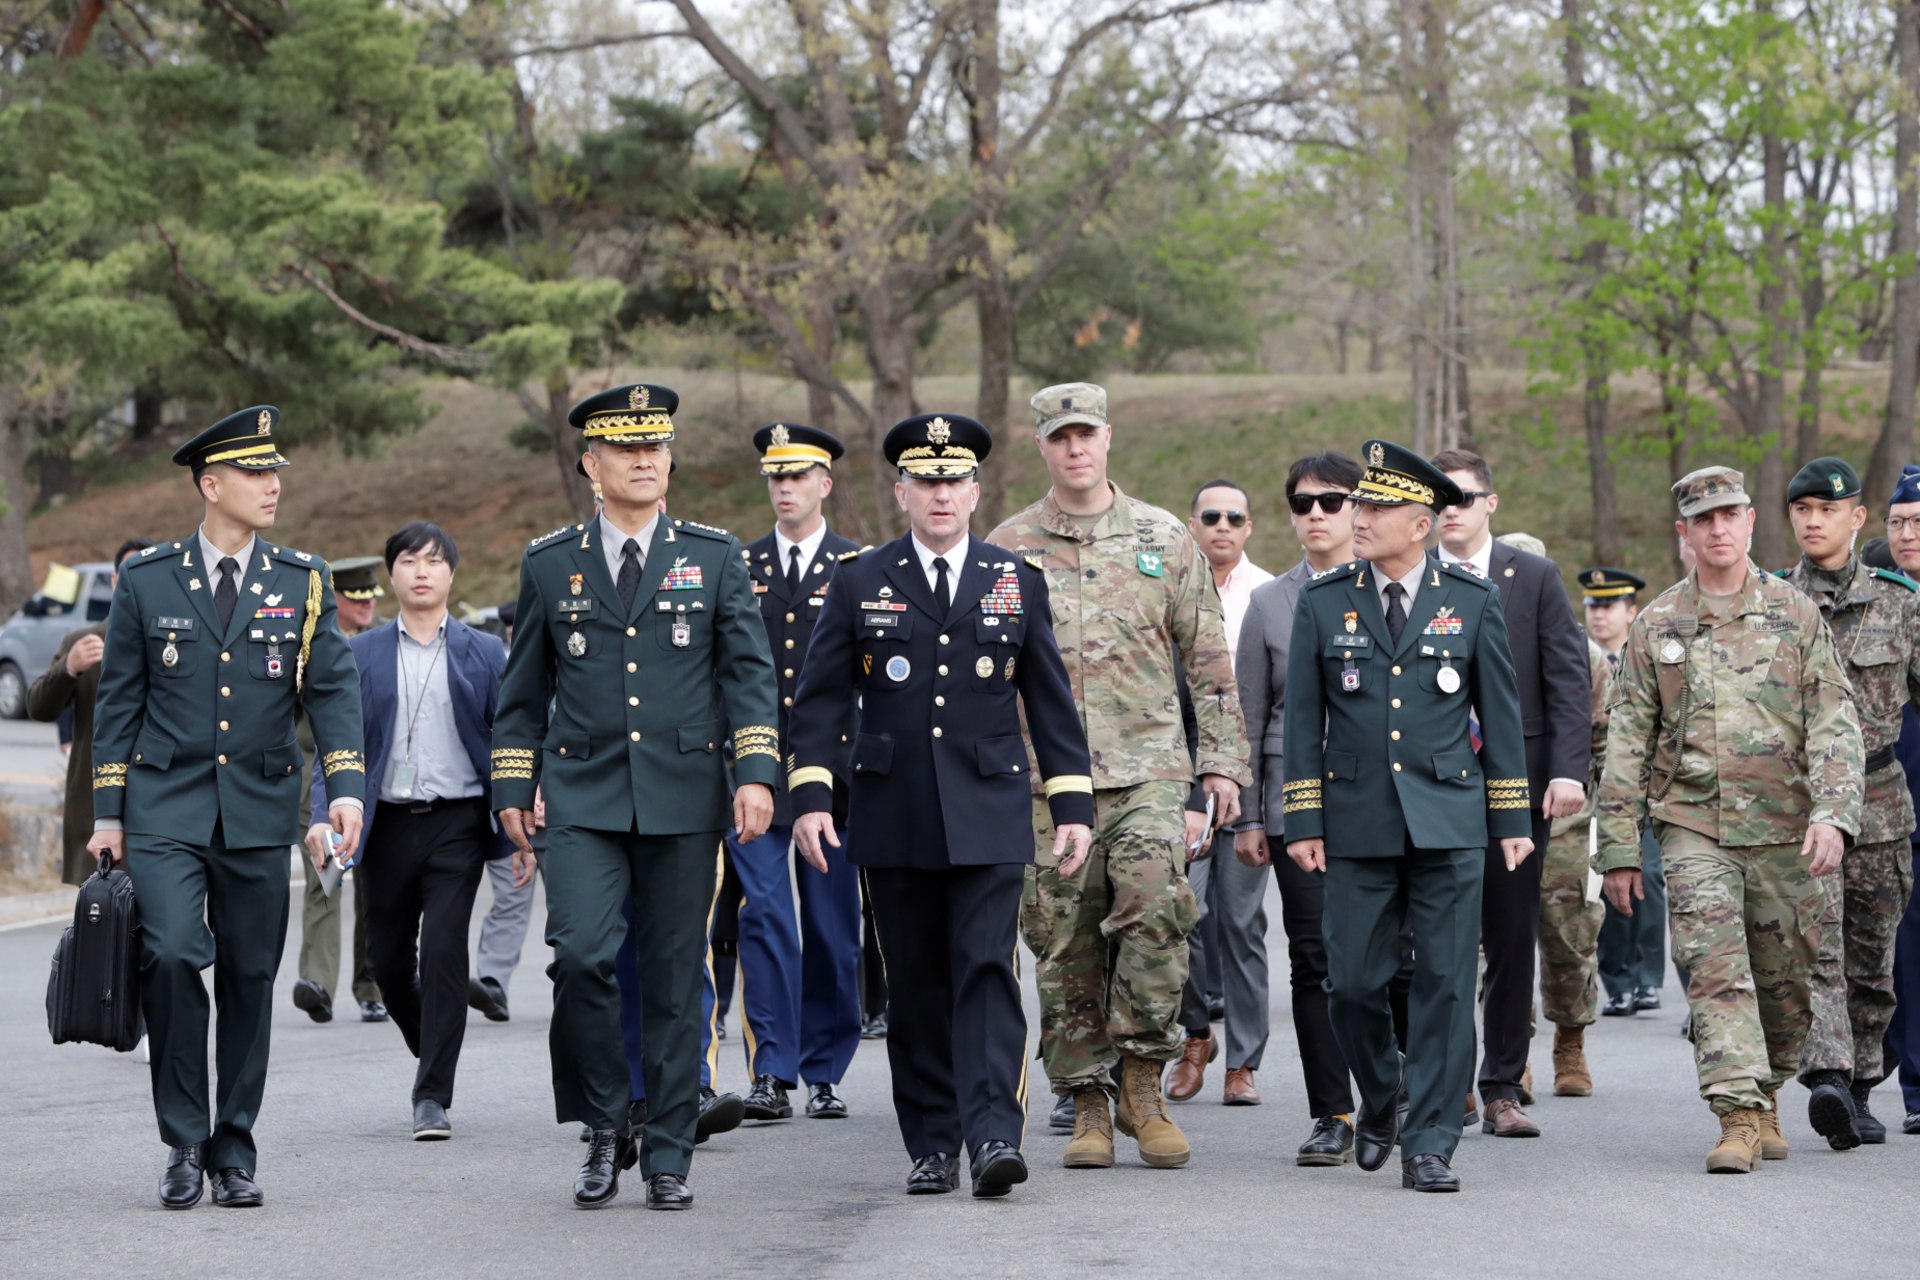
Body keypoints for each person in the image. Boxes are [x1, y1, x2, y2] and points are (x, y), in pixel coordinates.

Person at [788, 412, 1094, 1198]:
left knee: (987, 969)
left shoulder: (1013, 580)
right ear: (901, 492)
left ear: (977, 490)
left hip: (989, 810)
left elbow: (1050, 702)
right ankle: (931, 1141)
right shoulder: (860, 579)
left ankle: (993, 1135)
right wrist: (814, 796)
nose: (941, 495)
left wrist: (1072, 806)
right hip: (895, 814)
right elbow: (820, 701)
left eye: (954, 481)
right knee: (917, 981)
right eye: (926, 482)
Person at [492, 382, 779, 1211]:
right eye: (626, 447)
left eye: (656, 445)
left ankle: (667, 1151)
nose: (646, 458)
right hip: (581, 796)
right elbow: (521, 693)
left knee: (671, 972)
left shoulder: (716, 556)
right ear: (592, 463)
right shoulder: (551, 561)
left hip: (685, 796)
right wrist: (514, 781)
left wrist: (755, 772)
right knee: (580, 959)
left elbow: (749, 677)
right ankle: (603, 1122)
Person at [87, 406, 366, 1209]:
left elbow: (333, 694)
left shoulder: (303, 579)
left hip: (259, 808)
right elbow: (118, 707)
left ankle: (232, 1147)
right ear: (211, 485)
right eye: (254, 473)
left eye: (275, 472)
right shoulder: (147, 578)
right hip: (165, 806)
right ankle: (182, 1138)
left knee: (250, 975)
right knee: (172, 956)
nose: (272, 485)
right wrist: (110, 816)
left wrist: (340, 790)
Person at [988, 382, 1249, 1172]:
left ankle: (1143, 1080)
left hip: (1149, 774)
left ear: (1108, 438)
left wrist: (1223, 766)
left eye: (1086, 434)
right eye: (1060, 436)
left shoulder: (1164, 537)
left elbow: (1209, 662)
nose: (1075, 449)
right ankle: (1089, 1104)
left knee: (1155, 913)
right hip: (1044, 781)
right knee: (1062, 940)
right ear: (1042, 446)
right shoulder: (1008, 546)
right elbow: (984, 671)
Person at [1595, 465, 1862, 1174]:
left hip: (1785, 826)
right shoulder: (1658, 626)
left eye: (1729, 516)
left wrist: (1835, 813)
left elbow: (1834, 718)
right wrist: (1618, 846)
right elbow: (1626, 740)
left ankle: (1768, 1085)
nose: (1718, 529)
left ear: (1749, 523)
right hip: (1693, 824)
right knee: (1715, 970)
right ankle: (1738, 1114)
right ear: (1684, 534)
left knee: (1785, 981)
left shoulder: (1794, 613)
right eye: (1703, 519)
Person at [1282, 440, 1533, 1193]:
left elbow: (1503, 716)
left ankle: (1429, 1142)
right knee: (1353, 983)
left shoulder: (1471, 599)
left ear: (1420, 522)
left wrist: (1510, 818)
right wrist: (1303, 821)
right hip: (1356, 820)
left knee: (1449, 985)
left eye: (1375, 506)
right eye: (1359, 504)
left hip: (1450, 819)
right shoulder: (1325, 600)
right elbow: (1302, 723)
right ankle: (1385, 1086)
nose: (1357, 517)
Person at [304, 523, 510, 1140]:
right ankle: (432, 1045)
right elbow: (335, 747)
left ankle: (432, 1095)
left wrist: (521, 820)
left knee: (445, 951)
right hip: (384, 823)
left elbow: (510, 742)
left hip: (459, 823)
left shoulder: (486, 652)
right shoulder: (358, 654)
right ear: (391, 575)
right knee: (387, 962)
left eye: (434, 562)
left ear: (452, 574)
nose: (422, 572)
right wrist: (322, 814)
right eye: (409, 561)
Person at [1429, 449, 1590, 1138]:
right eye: (1440, 499)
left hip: (1515, 782)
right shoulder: (1411, 577)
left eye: (1464, 497)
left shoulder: (1534, 577)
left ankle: (1500, 1086)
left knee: (1510, 932)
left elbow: (1568, 680)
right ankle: (1445, 1081)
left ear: (1491, 504)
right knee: (1433, 938)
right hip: (1430, 784)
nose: (1451, 510)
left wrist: (1567, 770)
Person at [715, 421, 866, 1122]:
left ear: (825, 484)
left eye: (799, 475)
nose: (785, 487)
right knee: (766, 918)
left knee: (835, 925)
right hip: (758, 772)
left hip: (833, 773)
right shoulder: (736, 566)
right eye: (775, 476)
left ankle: (825, 1067)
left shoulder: (860, 568)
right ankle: (771, 1067)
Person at [1780, 457, 1920, 1149]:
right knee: (1819, 950)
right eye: (1801, 509)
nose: (1812, 520)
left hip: (1882, 805)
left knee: (1873, 961)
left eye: (1825, 509)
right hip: (1804, 807)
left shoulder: (1900, 603)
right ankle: (1829, 1076)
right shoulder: (1774, 602)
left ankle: (1862, 1084)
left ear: (1856, 517)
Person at [1232, 450, 1367, 1165]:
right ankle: (1332, 1113)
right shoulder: (1269, 604)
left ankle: (1393, 1093)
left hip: (1378, 800)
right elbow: (1249, 718)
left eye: (1331, 501)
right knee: (1314, 959)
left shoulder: (1386, 588)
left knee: (1383, 959)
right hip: (1295, 801)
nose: (1315, 514)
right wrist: (1251, 817)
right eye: (1302, 503)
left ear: (1358, 509)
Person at [1165, 478, 1272, 1108]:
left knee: (1241, 923)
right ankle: (1195, 1035)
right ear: (1192, 523)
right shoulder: (1169, 584)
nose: (1223, 526)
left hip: (1251, 781)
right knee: (1182, 915)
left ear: (1249, 527)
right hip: (1180, 779)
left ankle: (1244, 1062)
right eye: (1211, 516)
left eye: (1235, 516)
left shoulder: (1273, 593)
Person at [292, 554, 387, 1025]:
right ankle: (318, 984)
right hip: (319, 776)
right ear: (334, 599)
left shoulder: (388, 639)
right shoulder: (307, 638)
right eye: (356, 598)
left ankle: (371, 985)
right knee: (323, 877)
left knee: (372, 886)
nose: (367, 606)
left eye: (372, 597)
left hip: (379, 776)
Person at [28, 537, 155, 886]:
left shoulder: (176, 644)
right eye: (129, 574)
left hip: (160, 812)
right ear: (115, 582)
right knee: (102, 927)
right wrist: (67, 669)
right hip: (95, 807)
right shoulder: (85, 643)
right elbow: (39, 707)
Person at [1579, 568, 1671, 1019]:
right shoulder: (1578, 658)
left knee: (1648, 880)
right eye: (1592, 606)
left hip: (1648, 789)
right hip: (1597, 791)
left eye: (1608, 606)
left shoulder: (1648, 655)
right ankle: (1616, 980)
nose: (1598, 615)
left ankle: (1648, 977)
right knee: (1604, 884)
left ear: (1631, 612)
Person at [1880, 479, 1920, 1136]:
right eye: (1897, 522)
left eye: (1917, 521)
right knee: (1907, 944)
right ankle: (1915, 1081)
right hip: (1901, 797)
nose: (1907, 534)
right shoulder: (1878, 602)